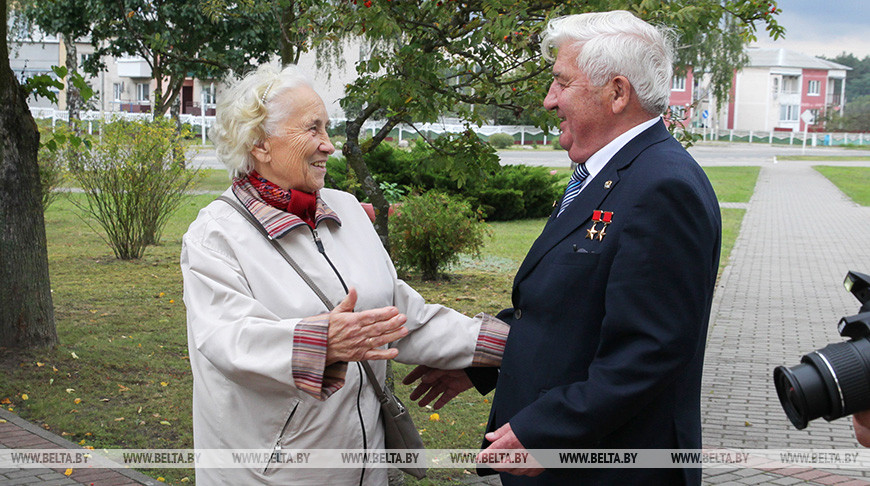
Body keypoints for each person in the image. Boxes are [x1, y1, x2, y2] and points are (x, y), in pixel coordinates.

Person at [405, 10, 721, 486]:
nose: (549, 100)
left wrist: (547, 431)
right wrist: (483, 367)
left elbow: (650, 351)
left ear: (617, 92)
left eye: (561, 82)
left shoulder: (661, 187)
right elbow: (569, 309)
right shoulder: (610, 173)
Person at [180, 64, 509, 485]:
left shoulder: (346, 210)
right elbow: (227, 341)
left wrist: (512, 345)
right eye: (313, 129)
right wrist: (323, 342)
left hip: (366, 467)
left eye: (327, 128)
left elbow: (399, 315)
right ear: (260, 143)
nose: (329, 146)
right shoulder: (216, 234)